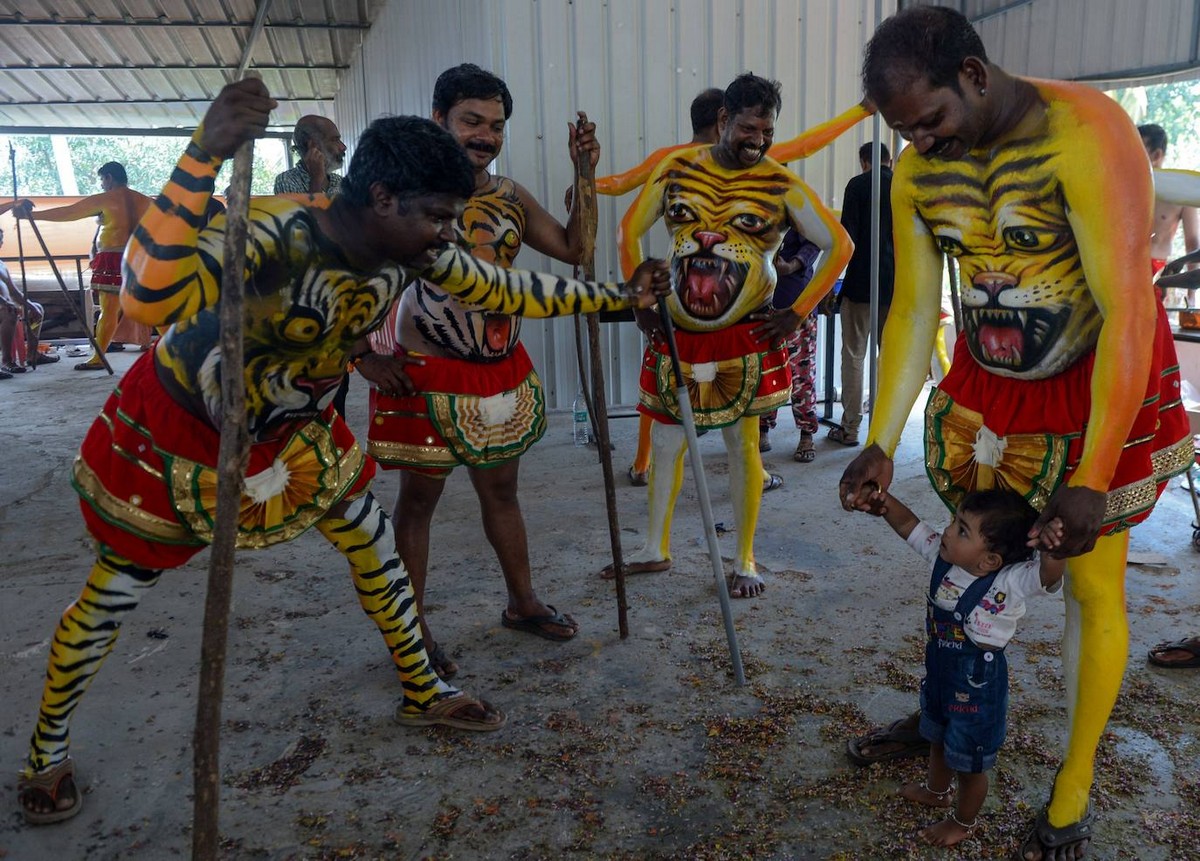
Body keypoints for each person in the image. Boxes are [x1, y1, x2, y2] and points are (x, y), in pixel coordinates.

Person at [15, 78, 669, 826]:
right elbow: (147, 296)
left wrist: (621, 298)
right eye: (436, 217)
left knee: (374, 545)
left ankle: (422, 688)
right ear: (384, 198)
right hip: (192, 433)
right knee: (114, 594)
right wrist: (202, 153)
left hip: (301, 428)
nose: (447, 235)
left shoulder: (418, 250)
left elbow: (507, 290)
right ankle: (46, 749)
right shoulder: (268, 235)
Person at [838, 7, 1193, 859]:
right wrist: (881, 434)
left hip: (1096, 383)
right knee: (963, 556)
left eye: (931, 121)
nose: (921, 144)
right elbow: (919, 306)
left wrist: (1096, 469)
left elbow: (1126, 312)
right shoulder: (919, 173)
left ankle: (1071, 789)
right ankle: (941, 720)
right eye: (904, 132)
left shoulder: (1086, 132)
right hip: (987, 389)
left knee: (1088, 585)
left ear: (975, 73)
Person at [361, 63, 603, 678]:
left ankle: (522, 604)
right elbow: (350, 276)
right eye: (472, 121)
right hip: (424, 372)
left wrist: (585, 175)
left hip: (499, 372)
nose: (486, 136)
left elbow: (577, 251)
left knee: (502, 492)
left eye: (496, 125)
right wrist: (362, 355)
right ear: (439, 117)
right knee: (418, 502)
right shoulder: (404, 196)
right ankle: (409, 634)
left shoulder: (509, 196)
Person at [615, 73, 853, 599]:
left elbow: (840, 245)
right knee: (668, 439)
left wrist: (797, 312)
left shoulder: (780, 185)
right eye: (748, 128)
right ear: (723, 120)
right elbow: (629, 230)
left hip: (744, 337)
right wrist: (641, 302)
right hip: (678, 334)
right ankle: (655, 548)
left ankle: (744, 559)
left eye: (766, 132)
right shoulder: (677, 169)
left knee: (745, 446)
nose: (758, 142)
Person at [866, 486, 1065, 847]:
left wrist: (1054, 549)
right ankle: (936, 790)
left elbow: (1047, 576)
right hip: (941, 674)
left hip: (978, 687)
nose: (946, 531)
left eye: (961, 530)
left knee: (971, 762)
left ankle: (962, 821)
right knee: (938, 736)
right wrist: (884, 501)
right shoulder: (943, 557)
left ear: (989, 560)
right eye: (953, 521)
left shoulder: (1009, 581)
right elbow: (909, 524)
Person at [8, 163, 152, 370]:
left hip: (113, 258)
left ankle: (98, 358)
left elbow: (69, 212)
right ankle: (178, 355)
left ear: (109, 177)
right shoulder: (147, 201)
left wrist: (31, 215)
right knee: (155, 307)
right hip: (142, 259)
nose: (102, 185)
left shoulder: (105, 199)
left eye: (102, 180)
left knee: (109, 311)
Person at [827, 142, 894, 447]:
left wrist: (830, 282)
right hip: (895, 287)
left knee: (854, 355)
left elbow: (846, 240)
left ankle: (851, 428)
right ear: (888, 161)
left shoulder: (857, 185)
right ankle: (882, 431)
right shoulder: (900, 186)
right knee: (889, 357)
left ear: (864, 161)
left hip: (859, 283)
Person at [757, 228, 822, 461]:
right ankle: (762, 428)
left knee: (801, 374)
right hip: (764, 307)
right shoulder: (762, 216)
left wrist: (792, 265)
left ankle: (806, 434)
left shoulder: (799, 212)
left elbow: (815, 243)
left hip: (797, 310)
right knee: (766, 374)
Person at [1139, 124, 1199, 307]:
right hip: (1120, 270)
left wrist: (1190, 295)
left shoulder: (1181, 192)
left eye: (1137, 150)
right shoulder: (1123, 187)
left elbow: (1193, 245)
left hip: (1156, 271)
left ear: (1156, 155)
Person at [0, 226, 59, 376]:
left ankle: (32, 354)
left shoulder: (2, 265)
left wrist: (30, 305)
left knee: (36, 309)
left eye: (0, 240)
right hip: (4, 308)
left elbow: (14, 292)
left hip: (7, 305)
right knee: (10, 313)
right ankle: (7, 360)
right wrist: (5, 303)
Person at [273, 114, 346, 195]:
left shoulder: (340, 182)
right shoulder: (287, 180)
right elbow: (310, 208)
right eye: (334, 140)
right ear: (313, 145)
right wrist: (316, 180)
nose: (343, 147)